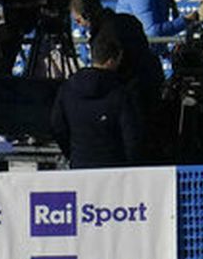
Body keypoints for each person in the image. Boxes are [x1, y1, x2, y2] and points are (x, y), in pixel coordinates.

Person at [53, 26, 147, 169]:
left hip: (80, 164)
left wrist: (73, 153)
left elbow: (57, 126)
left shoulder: (67, 89)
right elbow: (132, 137)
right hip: (114, 167)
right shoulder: (120, 93)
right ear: (111, 60)